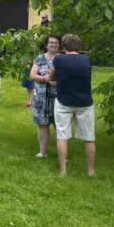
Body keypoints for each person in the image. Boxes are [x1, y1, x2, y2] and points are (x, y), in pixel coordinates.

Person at [47, 34, 95, 177]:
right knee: (89, 137)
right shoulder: (86, 59)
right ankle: (91, 171)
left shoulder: (58, 59)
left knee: (62, 136)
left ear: (64, 45)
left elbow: (50, 77)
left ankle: (63, 171)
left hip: (64, 101)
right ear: (78, 45)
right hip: (84, 102)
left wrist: (56, 81)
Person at [29, 34, 61, 158]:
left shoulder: (62, 59)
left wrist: (57, 82)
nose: (53, 44)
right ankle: (42, 152)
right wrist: (45, 78)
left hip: (59, 98)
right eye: (51, 42)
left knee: (59, 126)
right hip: (41, 99)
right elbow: (32, 75)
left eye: (56, 42)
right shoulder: (40, 58)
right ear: (47, 45)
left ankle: (61, 154)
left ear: (59, 45)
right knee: (42, 125)